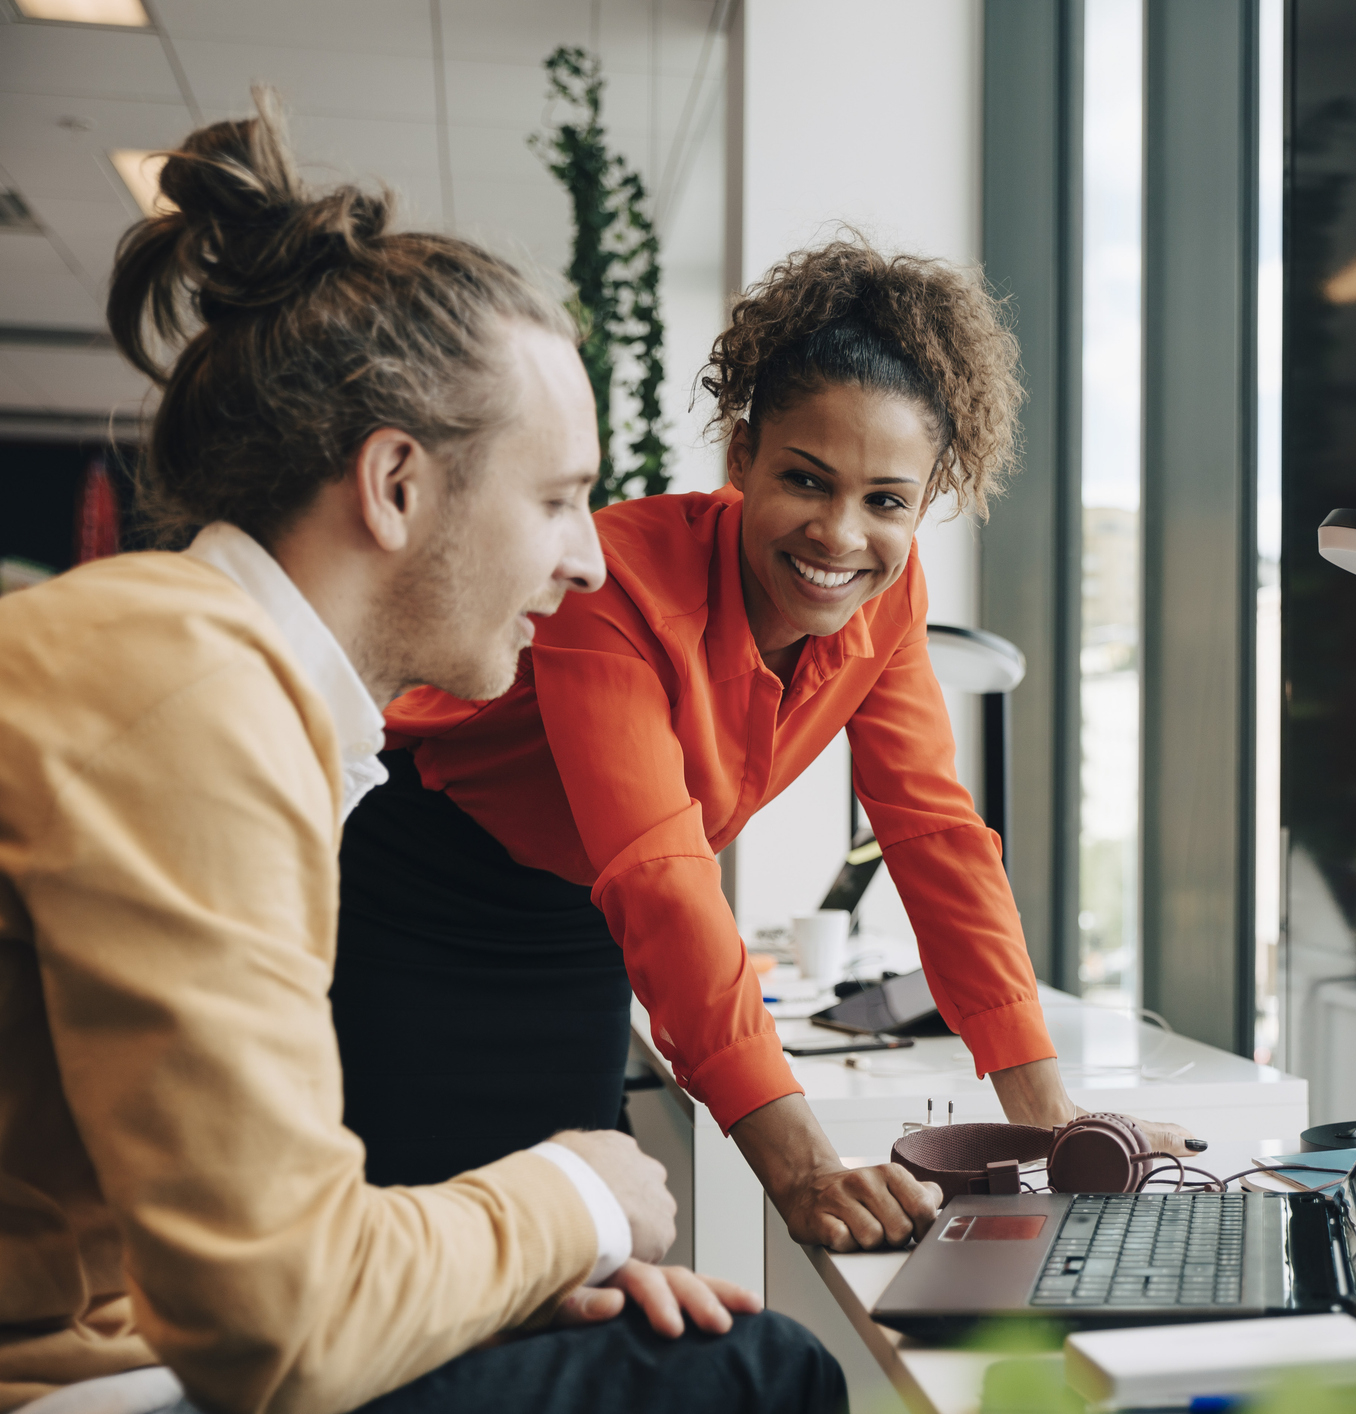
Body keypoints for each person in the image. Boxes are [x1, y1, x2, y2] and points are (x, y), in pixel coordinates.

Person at [0, 95, 841, 1414]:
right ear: (396, 485)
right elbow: (280, 1327)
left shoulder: (217, 674)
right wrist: (577, 1192)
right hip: (76, 1387)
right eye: (559, 498)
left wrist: (504, 1271)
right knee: (758, 1375)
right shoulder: (189, 696)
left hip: (137, 1344)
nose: (585, 556)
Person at [333, 239, 1194, 1250]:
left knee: (571, 1253)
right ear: (741, 456)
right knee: (415, 1244)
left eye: (885, 501)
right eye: (804, 479)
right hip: (419, 886)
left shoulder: (890, 596)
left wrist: (1047, 1112)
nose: (839, 535)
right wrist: (801, 1163)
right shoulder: (612, 583)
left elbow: (932, 831)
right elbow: (658, 868)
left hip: (576, 920)